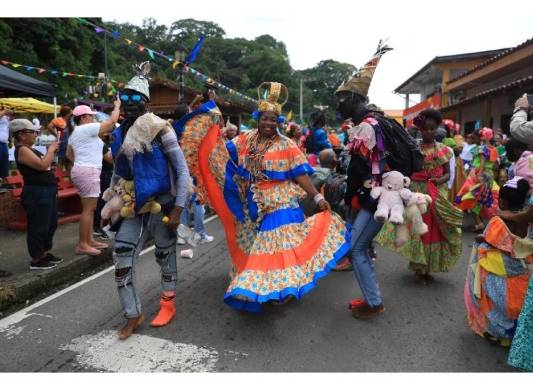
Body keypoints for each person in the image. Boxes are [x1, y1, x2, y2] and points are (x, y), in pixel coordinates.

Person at [179, 81, 350, 313]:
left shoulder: (287, 144)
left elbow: (301, 176)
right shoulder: (244, 140)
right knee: (256, 247)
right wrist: (209, 122)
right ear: (258, 118)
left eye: (273, 119)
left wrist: (318, 199)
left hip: (281, 203)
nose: (268, 123)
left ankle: (277, 288)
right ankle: (265, 283)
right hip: (250, 202)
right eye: (264, 118)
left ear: (278, 122)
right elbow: (221, 153)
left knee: (279, 246)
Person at [106, 62, 190, 339]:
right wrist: (111, 198)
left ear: (145, 103)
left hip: (163, 202)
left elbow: (181, 170)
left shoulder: (160, 128)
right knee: (121, 257)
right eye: (125, 98)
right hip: (132, 205)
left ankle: (168, 303)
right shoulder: (119, 134)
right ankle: (133, 313)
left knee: (164, 254)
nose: (129, 104)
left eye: (134, 99)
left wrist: (178, 208)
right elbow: (119, 169)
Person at [335, 40, 394, 318]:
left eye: (342, 98)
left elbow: (368, 170)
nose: (338, 103)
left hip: (376, 198)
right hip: (373, 198)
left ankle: (374, 303)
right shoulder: (370, 123)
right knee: (359, 248)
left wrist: (355, 195)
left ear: (356, 99)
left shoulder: (367, 127)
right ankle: (372, 300)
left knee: (357, 249)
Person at [376, 109, 463, 281]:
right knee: (416, 228)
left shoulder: (444, 150)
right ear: (420, 129)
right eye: (425, 128)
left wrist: (438, 181)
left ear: (437, 128)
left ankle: (428, 266)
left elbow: (447, 174)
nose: (429, 132)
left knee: (432, 230)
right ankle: (418, 265)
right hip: (415, 192)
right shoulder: (413, 148)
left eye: (432, 128)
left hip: (435, 195)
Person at [464, 177, 532, 347]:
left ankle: (499, 335)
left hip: (498, 273)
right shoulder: (527, 223)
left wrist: (480, 237)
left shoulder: (498, 221)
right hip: (521, 272)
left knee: (495, 303)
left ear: (502, 201)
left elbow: (489, 240)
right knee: (516, 305)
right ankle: (514, 333)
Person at [67, 102, 120, 256]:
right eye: (91, 115)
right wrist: (116, 106)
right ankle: (83, 244)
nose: (93, 118)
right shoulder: (85, 128)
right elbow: (111, 123)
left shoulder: (77, 132)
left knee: (90, 208)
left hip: (84, 170)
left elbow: (69, 155)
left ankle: (89, 240)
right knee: (88, 209)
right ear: (83, 117)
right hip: (88, 171)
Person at [9, 119, 62, 270]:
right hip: (37, 192)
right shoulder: (22, 149)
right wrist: (51, 150)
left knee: (50, 223)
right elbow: (41, 165)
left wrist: (51, 154)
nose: (35, 135)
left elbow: (45, 164)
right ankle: (36, 259)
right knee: (39, 225)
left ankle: (44, 253)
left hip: (46, 190)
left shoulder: (30, 148)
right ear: (22, 134)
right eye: (33, 132)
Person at [455, 127, 500, 232]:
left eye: (475, 137)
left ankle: (480, 223)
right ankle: (485, 223)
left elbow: (483, 162)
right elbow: (496, 165)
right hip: (489, 175)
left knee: (470, 198)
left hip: (479, 175)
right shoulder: (494, 149)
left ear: (481, 137)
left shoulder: (482, 148)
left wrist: (478, 174)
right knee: (483, 199)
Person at [93, 135, 114, 239]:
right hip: (104, 173)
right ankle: (97, 227)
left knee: (109, 200)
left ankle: (106, 225)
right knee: (102, 200)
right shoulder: (100, 144)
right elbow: (110, 159)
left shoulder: (108, 142)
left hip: (109, 173)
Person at [48, 105, 73, 171]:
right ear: (67, 113)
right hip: (63, 142)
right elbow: (49, 127)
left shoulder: (70, 121)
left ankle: (68, 177)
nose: (71, 113)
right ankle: (60, 177)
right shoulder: (59, 120)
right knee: (61, 160)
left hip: (69, 142)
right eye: (70, 112)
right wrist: (56, 135)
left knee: (68, 161)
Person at [0, 108, 14, 187]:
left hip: (4, 142)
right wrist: (5, 111)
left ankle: (4, 181)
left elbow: (9, 129)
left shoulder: (6, 118)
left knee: (4, 161)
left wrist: (10, 140)